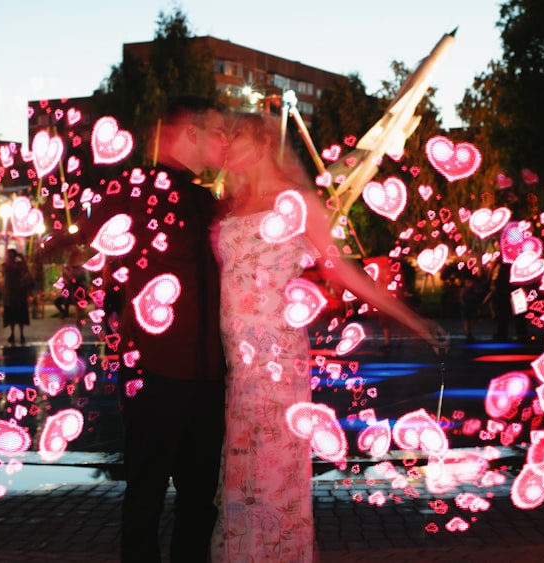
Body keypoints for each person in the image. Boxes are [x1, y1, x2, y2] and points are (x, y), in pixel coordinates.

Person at [210, 112, 448, 562]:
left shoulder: (298, 203)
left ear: (262, 142)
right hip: (234, 366)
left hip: (277, 364)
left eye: (234, 136)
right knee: (241, 473)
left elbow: (347, 273)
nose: (225, 146)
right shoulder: (227, 203)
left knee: (273, 477)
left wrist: (413, 319)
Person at [43, 94, 230, 562]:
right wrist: (65, 241)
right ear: (189, 132)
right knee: (146, 496)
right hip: (155, 375)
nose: (219, 142)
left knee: (199, 500)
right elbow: (85, 236)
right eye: (213, 131)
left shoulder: (207, 200)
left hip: (208, 379)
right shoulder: (135, 190)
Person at [0, 248, 32, 345]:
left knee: (19, 314)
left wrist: (21, 258)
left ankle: (20, 334)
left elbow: (25, 270)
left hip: (18, 292)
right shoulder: (7, 265)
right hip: (11, 293)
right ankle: (13, 333)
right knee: (12, 315)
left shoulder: (16, 265)